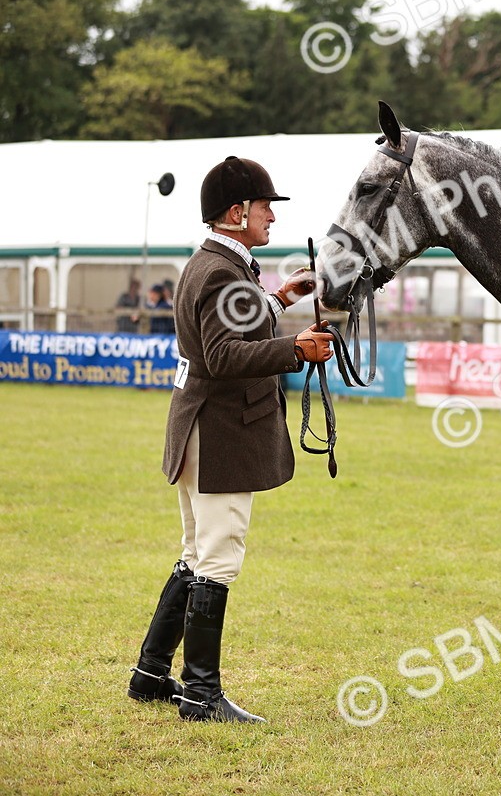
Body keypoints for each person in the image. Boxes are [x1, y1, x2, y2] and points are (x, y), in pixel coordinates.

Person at [127, 156, 334, 724]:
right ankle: (201, 694)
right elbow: (222, 355)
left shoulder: (211, 262)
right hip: (219, 432)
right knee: (217, 559)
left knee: (196, 554)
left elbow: (230, 325)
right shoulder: (223, 271)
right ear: (238, 212)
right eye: (266, 206)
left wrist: (279, 299)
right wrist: (296, 348)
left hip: (198, 425)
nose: (272, 216)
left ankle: (151, 673)